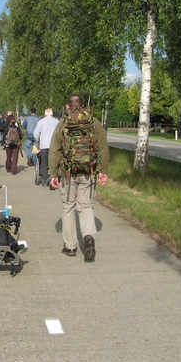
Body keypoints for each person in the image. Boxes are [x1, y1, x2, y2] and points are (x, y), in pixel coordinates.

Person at [49, 95, 109, 263]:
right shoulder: (93, 122)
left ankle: (70, 246)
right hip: (88, 172)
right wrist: (103, 171)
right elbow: (103, 148)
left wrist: (53, 174)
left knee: (68, 207)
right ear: (83, 106)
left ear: (68, 106)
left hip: (67, 173)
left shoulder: (63, 123)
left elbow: (55, 150)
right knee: (86, 207)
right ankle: (89, 237)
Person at [33, 108, 59, 188]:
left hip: (44, 145)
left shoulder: (41, 122)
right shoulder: (57, 122)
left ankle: (44, 181)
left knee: (44, 163)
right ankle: (54, 179)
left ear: (45, 114)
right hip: (55, 146)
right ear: (52, 114)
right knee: (55, 163)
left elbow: (36, 133)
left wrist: (38, 141)